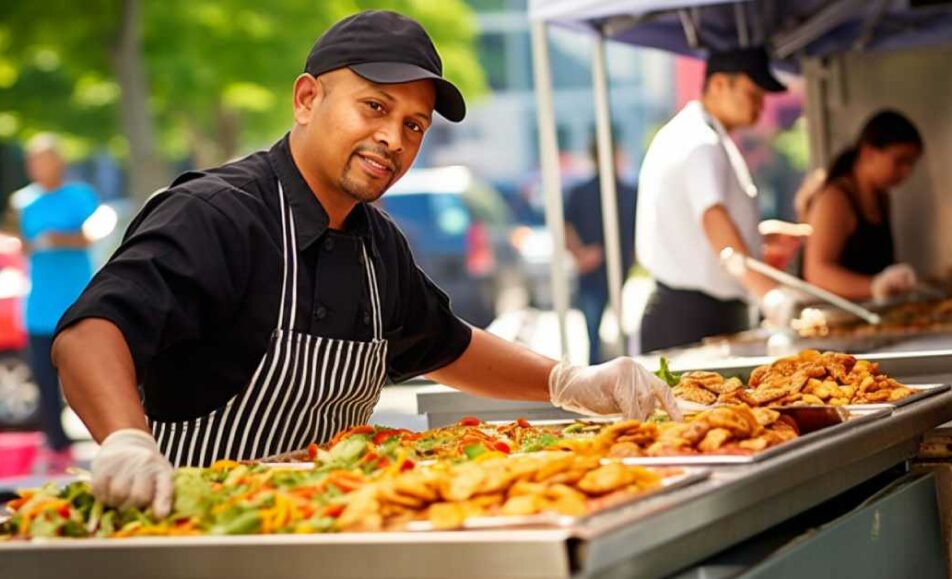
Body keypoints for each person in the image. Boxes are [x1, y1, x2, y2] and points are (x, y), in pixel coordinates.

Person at [50, 11, 680, 518]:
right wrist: (125, 442)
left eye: (414, 125)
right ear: (306, 99)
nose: (394, 139)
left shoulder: (379, 243)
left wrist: (569, 383)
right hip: (196, 530)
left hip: (335, 529)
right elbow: (91, 335)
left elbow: (447, 344)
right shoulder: (215, 214)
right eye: (374, 108)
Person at [636, 46, 787, 352]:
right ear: (718, 84)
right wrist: (768, 293)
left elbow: (701, 224)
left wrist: (759, 237)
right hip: (690, 318)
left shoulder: (705, 136)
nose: (760, 105)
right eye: (752, 93)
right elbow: (712, 217)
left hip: (704, 312)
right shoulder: (699, 141)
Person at [7, 134, 99, 473]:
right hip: (39, 308)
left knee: (90, 377)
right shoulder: (22, 202)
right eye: (33, 160)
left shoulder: (80, 195)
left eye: (44, 159)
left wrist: (61, 239)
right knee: (45, 383)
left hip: (79, 303)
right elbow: (22, 244)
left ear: (58, 162)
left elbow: (93, 235)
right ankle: (57, 446)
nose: (37, 166)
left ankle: (110, 438)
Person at [800, 110, 923, 301]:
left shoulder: (882, 197)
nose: (906, 172)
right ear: (869, 154)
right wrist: (874, 286)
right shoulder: (835, 200)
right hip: (835, 317)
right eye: (899, 161)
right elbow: (816, 272)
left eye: (911, 164)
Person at [564, 141, 636, 365]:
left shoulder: (629, 192)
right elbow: (565, 226)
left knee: (623, 335)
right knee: (593, 336)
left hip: (621, 269)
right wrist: (580, 255)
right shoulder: (581, 192)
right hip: (592, 271)